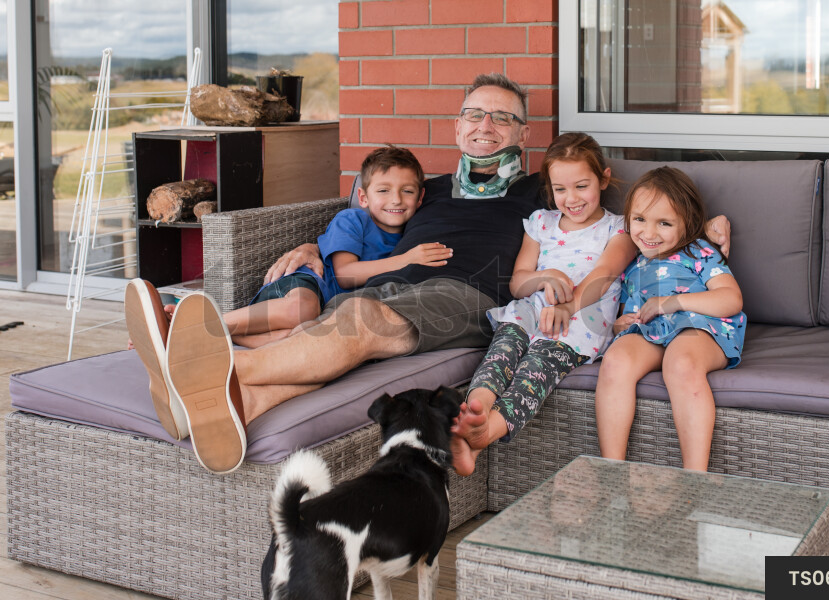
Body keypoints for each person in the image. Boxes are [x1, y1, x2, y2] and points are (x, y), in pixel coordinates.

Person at [126, 73, 734, 475]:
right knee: (314, 334)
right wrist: (313, 245)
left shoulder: (544, 192)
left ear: (524, 134)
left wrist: (702, 225)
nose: (485, 126)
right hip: (392, 291)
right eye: (475, 115)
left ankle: (207, 369)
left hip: (464, 297)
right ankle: (236, 401)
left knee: (359, 321)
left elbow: (637, 214)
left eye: (502, 118)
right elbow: (368, 218)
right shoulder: (428, 189)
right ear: (457, 126)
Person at [449, 133, 636, 475]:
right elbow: (518, 282)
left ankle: (486, 433)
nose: (571, 199)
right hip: (531, 310)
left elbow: (604, 275)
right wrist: (545, 276)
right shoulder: (541, 222)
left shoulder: (618, 228)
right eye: (560, 189)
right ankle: (476, 412)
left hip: (579, 321)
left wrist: (567, 307)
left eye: (581, 186)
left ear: (603, 179)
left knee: (535, 369)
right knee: (501, 352)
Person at [221, 146, 452, 348]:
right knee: (302, 310)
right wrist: (406, 259)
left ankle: (232, 339)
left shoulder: (413, 234)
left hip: (327, 307)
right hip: (308, 282)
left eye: (407, 191)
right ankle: (214, 324)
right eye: (383, 190)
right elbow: (344, 274)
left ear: (420, 197)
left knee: (303, 335)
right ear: (363, 197)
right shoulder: (353, 219)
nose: (396, 199)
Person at [594, 166, 746, 472]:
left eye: (664, 223)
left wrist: (671, 303)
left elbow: (731, 299)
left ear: (686, 223)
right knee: (616, 360)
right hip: (651, 331)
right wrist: (621, 323)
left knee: (681, 363)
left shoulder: (699, 250)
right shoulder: (633, 263)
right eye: (639, 220)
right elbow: (626, 312)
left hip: (701, 327)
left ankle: (695, 477)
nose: (649, 234)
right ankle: (612, 473)